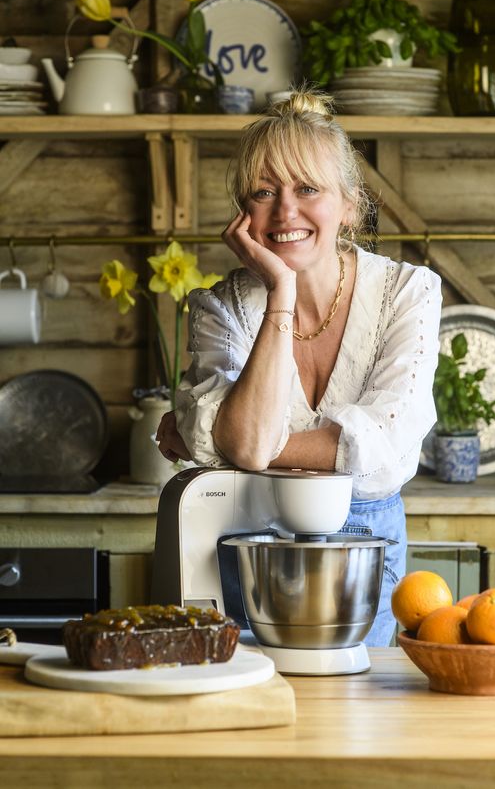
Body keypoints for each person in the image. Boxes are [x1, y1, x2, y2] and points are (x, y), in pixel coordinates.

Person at [156, 88, 442, 646]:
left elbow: (382, 449)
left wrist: (228, 443)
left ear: (350, 204)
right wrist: (280, 292)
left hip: (366, 550)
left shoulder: (410, 291)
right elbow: (243, 443)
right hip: (245, 544)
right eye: (264, 192)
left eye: (307, 189)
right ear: (242, 215)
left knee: (356, 718)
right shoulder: (220, 307)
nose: (286, 211)